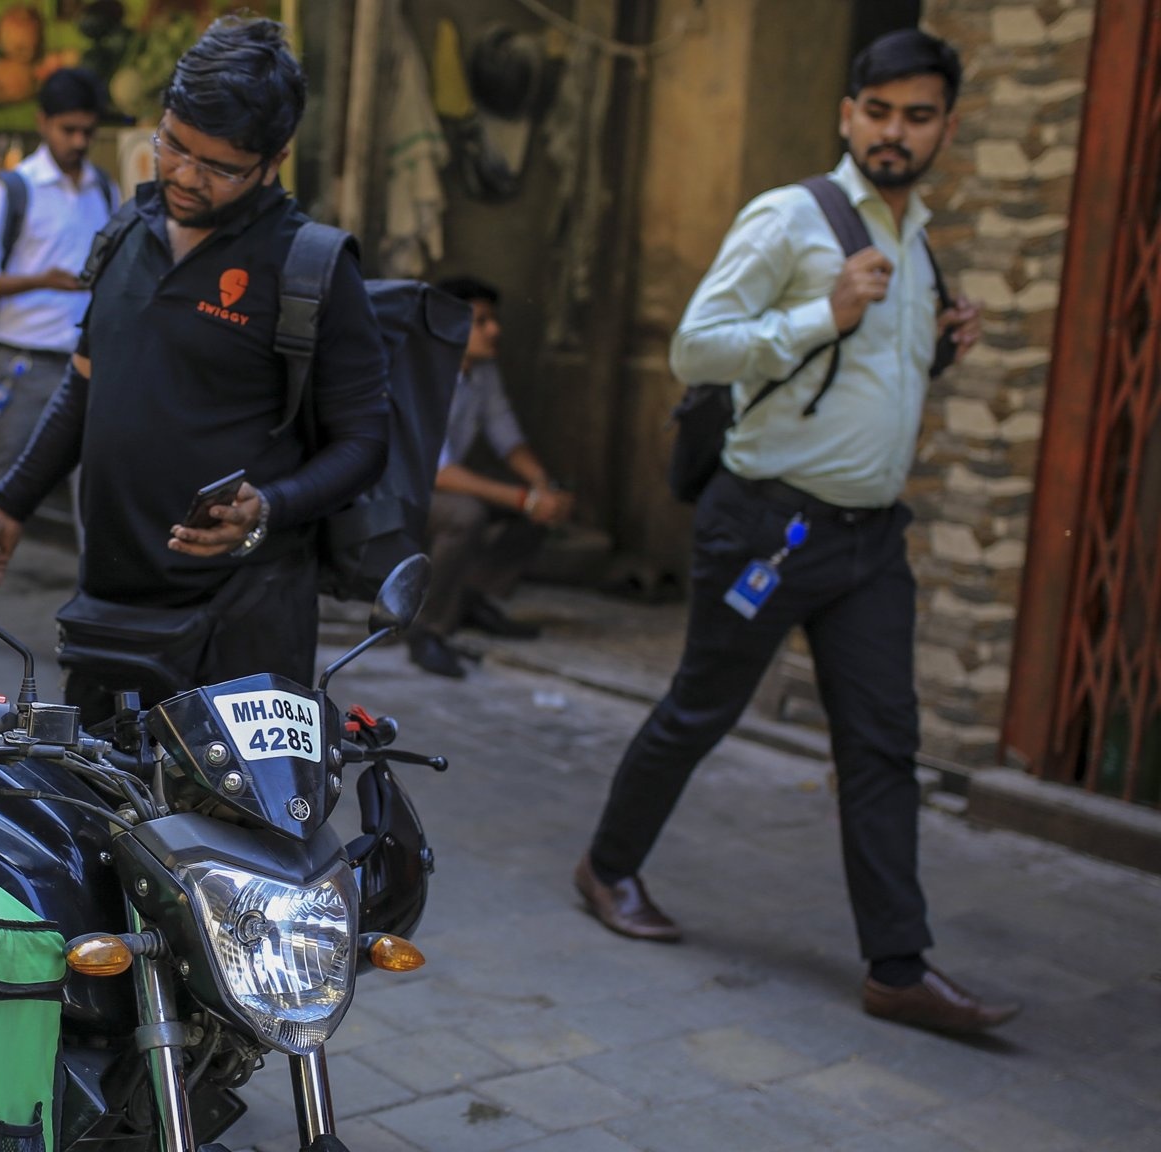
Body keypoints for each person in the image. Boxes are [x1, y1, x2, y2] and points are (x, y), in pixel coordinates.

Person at [572, 31, 1013, 1035]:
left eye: (916, 115)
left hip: (866, 544)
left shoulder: (915, 237)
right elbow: (697, 346)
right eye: (877, 111)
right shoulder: (790, 216)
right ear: (846, 114)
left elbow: (868, 383)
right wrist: (819, 310)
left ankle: (896, 967)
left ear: (944, 125)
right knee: (700, 710)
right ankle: (605, 868)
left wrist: (936, 350)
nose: (894, 132)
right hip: (767, 528)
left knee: (880, 744)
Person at [0, 17, 389, 719]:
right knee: (100, 819)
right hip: (110, 607)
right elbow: (84, 387)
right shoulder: (127, 229)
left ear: (275, 160)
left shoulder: (311, 267)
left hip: (244, 618)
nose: (185, 176)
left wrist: (269, 507)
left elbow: (365, 442)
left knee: (234, 828)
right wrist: (9, 504)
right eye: (173, 146)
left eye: (218, 167)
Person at [0, 68, 118, 657]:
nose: (77, 141)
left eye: (87, 132)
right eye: (69, 129)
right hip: (21, 364)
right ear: (44, 123)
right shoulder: (13, 189)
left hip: (89, 363)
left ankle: (98, 620)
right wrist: (40, 280)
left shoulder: (104, 189)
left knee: (97, 493)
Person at [407, 276, 572, 678]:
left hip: (442, 483)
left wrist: (541, 489)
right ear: (447, 323)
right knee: (466, 515)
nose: (494, 330)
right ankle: (426, 629)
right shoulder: (419, 371)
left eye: (492, 320)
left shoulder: (482, 371)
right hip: (398, 492)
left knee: (546, 502)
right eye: (481, 322)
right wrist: (521, 498)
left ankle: (470, 597)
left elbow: (507, 437)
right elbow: (437, 472)